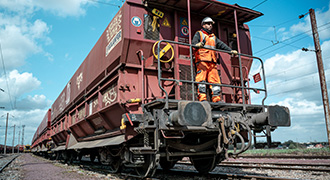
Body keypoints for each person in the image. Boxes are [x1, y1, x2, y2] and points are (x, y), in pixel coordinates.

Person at [192, 17, 237, 102]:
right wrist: (197, 44)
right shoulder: (199, 34)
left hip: (212, 62)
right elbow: (193, 43)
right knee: (201, 80)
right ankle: (202, 99)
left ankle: (216, 99)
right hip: (202, 61)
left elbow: (221, 45)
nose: (210, 26)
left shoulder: (213, 37)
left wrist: (230, 51)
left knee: (215, 81)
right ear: (204, 25)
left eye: (211, 24)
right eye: (208, 24)